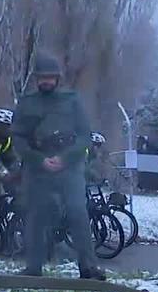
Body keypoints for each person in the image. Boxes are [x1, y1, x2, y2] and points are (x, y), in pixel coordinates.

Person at [11, 54, 106, 280]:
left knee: (77, 212)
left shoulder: (71, 101)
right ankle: (33, 267)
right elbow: (18, 138)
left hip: (69, 165)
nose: (46, 81)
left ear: (57, 78)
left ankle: (88, 267)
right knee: (36, 216)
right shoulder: (27, 103)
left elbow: (84, 136)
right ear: (36, 79)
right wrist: (38, 159)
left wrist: (65, 159)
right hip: (38, 166)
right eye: (42, 77)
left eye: (50, 77)